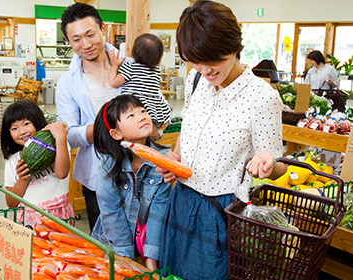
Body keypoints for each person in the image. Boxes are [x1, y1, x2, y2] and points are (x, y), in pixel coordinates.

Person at [155, 1, 288, 279]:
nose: (206, 69)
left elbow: (278, 167)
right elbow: (189, 128)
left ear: (235, 47)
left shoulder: (262, 98)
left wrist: (267, 164)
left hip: (219, 212)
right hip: (181, 200)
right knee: (173, 274)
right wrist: (176, 158)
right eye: (196, 60)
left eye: (214, 59)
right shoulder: (194, 79)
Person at [56, 2, 134, 233]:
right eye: (76, 39)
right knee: (105, 244)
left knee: (143, 242)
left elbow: (152, 107)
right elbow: (70, 134)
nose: (86, 44)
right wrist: (108, 128)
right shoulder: (67, 83)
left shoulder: (129, 66)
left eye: (90, 34)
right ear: (69, 42)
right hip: (97, 175)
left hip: (139, 169)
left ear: (102, 30)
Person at [91, 94, 171, 271]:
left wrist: (151, 255)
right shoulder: (108, 165)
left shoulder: (163, 162)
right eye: (131, 116)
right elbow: (111, 211)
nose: (142, 116)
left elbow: (159, 211)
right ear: (116, 133)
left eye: (142, 111)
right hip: (111, 244)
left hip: (147, 241)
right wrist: (123, 256)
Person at [1, 100, 74, 227]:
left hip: (59, 217)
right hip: (29, 221)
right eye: (14, 128)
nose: (22, 131)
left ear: (37, 121)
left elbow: (62, 173)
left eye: (26, 124)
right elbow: (11, 202)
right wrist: (23, 179)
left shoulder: (59, 146)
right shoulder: (13, 162)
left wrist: (60, 137)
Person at [108, 33, 171, 141]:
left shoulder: (130, 67)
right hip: (155, 109)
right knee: (163, 121)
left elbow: (113, 82)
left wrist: (114, 65)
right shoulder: (156, 71)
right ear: (159, 59)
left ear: (132, 53)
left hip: (136, 107)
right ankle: (157, 135)